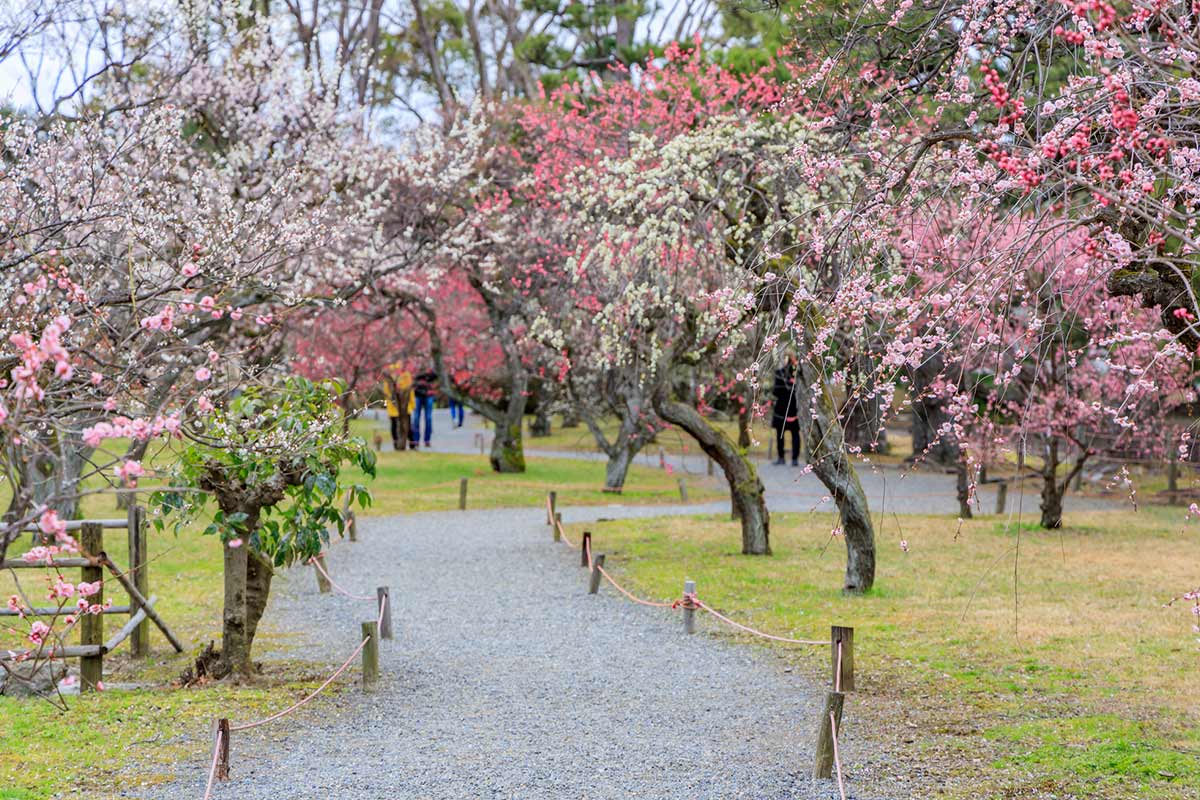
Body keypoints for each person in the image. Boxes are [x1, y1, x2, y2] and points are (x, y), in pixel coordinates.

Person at [771, 354, 801, 466]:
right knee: (795, 434)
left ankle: (781, 458)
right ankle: (794, 459)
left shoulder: (780, 373)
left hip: (781, 409)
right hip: (795, 408)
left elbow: (775, 392)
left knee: (780, 434)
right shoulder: (798, 374)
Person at [382, 365, 413, 450]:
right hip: (401, 405)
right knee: (405, 425)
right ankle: (409, 443)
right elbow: (410, 390)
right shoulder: (405, 374)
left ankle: (400, 443)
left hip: (399, 405)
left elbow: (386, 392)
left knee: (397, 425)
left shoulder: (394, 375)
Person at [410, 368, 438, 448]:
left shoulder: (432, 361)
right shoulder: (414, 363)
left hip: (429, 395)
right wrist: (425, 375)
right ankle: (416, 440)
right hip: (417, 395)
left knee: (428, 418)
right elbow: (414, 378)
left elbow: (436, 376)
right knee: (416, 418)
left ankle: (427, 440)